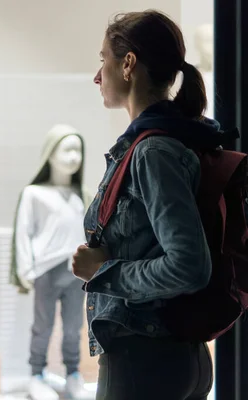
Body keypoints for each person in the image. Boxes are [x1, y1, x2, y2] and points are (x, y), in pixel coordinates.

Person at [72, 10, 214, 399]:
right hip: (172, 356)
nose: (98, 75)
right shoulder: (174, 138)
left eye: (104, 59)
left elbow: (188, 266)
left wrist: (103, 270)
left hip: (144, 360)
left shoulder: (152, 150)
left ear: (129, 63)